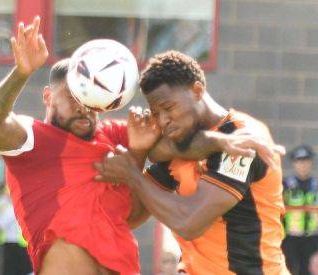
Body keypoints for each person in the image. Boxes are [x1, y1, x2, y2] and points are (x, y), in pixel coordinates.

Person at [0, 17, 279, 275]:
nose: (83, 107)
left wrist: (221, 141)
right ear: (47, 97)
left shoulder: (117, 136)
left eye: (90, 99)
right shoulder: (34, 139)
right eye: (73, 97)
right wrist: (21, 72)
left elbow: (176, 150)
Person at [95, 50, 289, 274]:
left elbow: (188, 222)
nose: (163, 120)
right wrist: (138, 154)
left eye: (168, 108)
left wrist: (133, 174)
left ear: (197, 90)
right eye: (156, 113)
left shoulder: (243, 140)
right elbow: (133, 216)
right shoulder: (181, 142)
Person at [282, 144, 318, 275]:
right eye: (299, 161)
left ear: (311, 162)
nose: (303, 164)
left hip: (313, 239)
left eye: (306, 160)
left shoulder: (316, 185)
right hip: (290, 238)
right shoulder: (284, 185)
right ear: (294, 163)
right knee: (288, 270)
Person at [0, 186, 32, 275]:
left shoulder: (14, 205)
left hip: (21, 244)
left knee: (21, 270)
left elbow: (0, 222)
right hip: (9, 242)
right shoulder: (4, 202)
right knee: (11, 270)